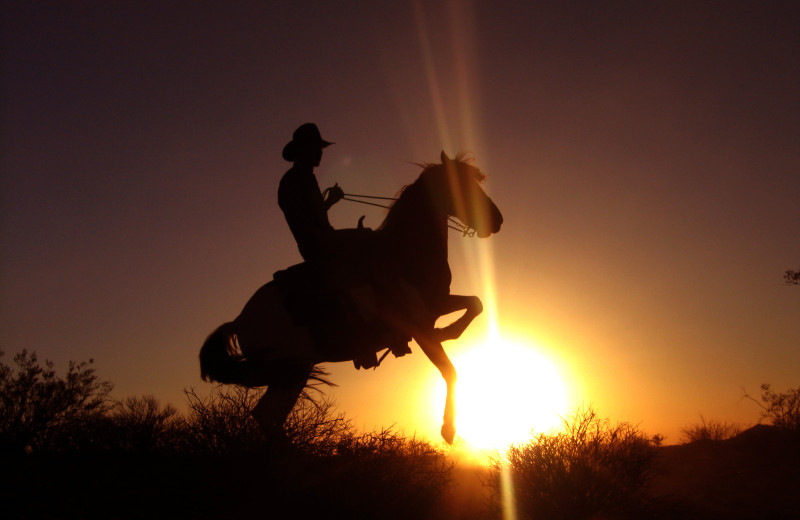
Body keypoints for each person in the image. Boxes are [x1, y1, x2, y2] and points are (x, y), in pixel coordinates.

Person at [278, 123, 343, 263]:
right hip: (318, 246)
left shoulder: (305, 177)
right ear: (303, 149)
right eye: (315, 147)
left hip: (323, 242)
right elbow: (300, 220)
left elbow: (313, 214)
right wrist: (331, 239)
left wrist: (331, 200)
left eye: (320, 148)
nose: (320, 152)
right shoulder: (294, 179)